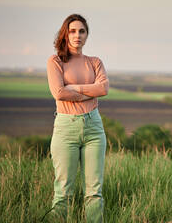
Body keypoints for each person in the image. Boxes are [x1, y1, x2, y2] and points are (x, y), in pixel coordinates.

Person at [46, 14, 109, 222]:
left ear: (87, 35)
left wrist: (75, 88)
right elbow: (59, 93)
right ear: (65, 34)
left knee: (94, 192)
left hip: (94, 128)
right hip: (66, 128)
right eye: (72, 31)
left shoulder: (95, 62)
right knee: (63, 193)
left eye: (82, 31)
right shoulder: (55, 61)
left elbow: (104, 88)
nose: (77, 35)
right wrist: (90, 93)